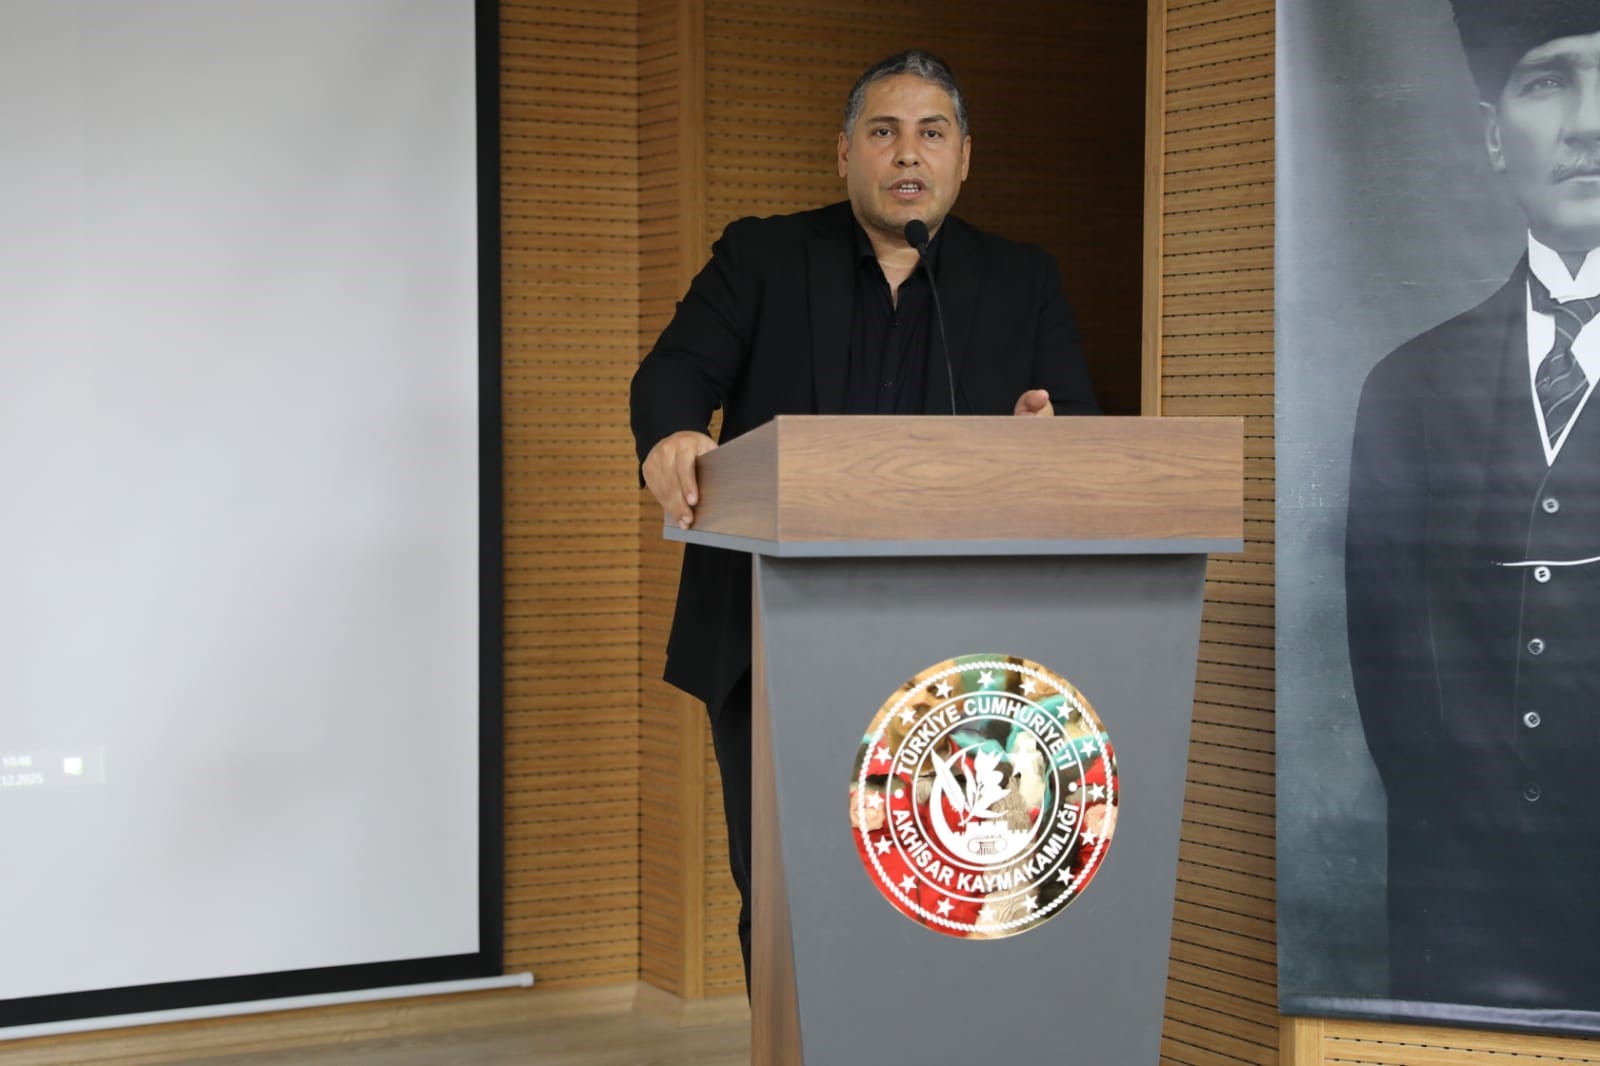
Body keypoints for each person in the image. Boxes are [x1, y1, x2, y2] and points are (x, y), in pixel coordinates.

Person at [630, 49, 1098, 989]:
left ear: (964, 157)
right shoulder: (762, 257)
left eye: (931, 132)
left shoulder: (1022, 280)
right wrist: (674, 432)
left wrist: (1046, 442)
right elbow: (674, 371)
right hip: (771, 632)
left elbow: (1075, 431)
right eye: (883, 133)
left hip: (958, 654)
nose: (907, 153)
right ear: (845, 153)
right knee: (787, 891)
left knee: (944, 891)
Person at [1345, 1, 1600, 1012]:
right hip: (1465, 917)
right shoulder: (1405, 388)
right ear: (1494, 136)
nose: (1589, 124)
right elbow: (1387, 672)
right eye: (1547, 83)